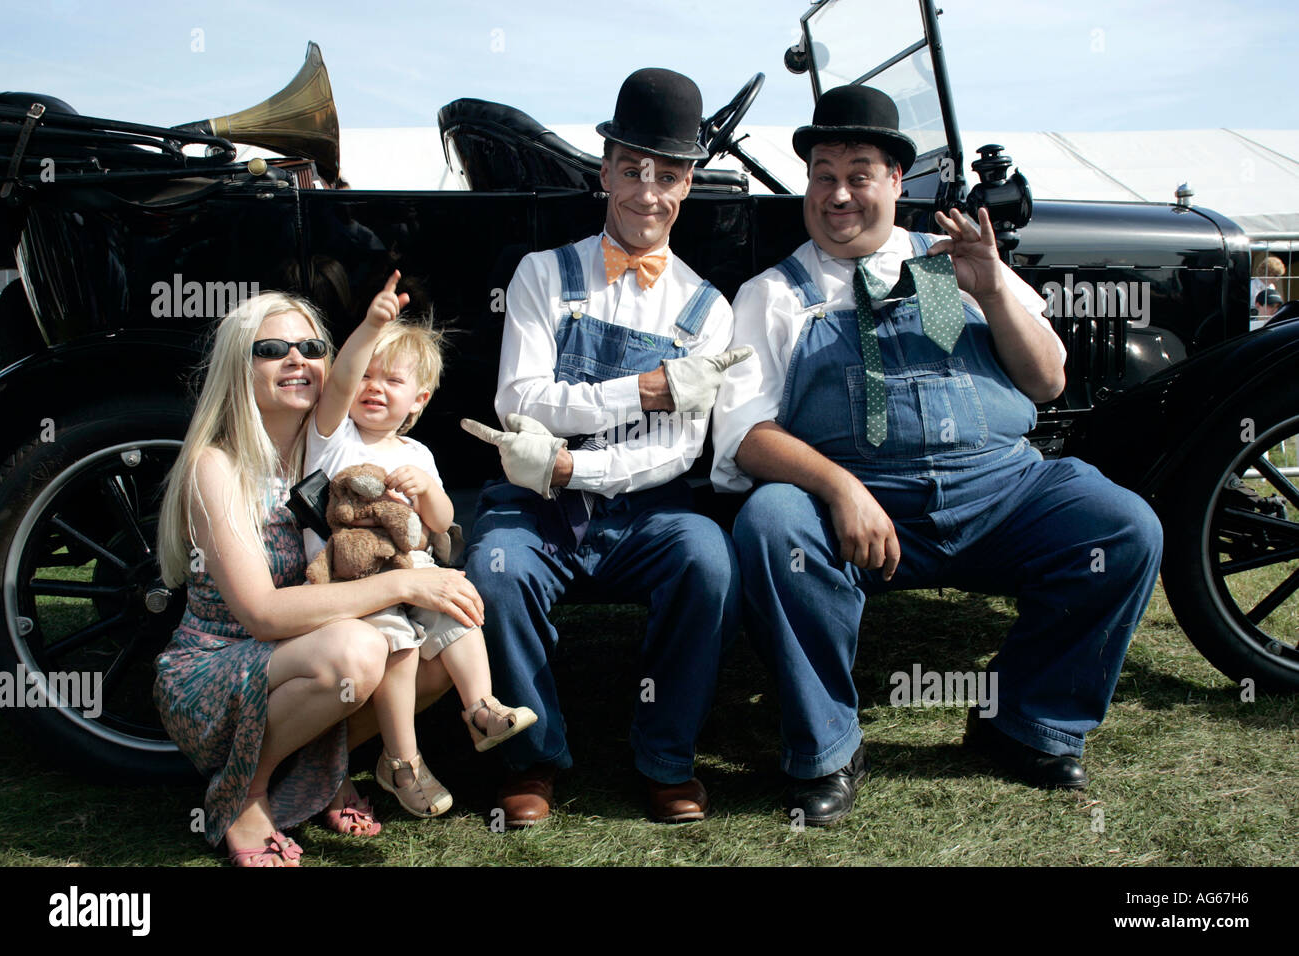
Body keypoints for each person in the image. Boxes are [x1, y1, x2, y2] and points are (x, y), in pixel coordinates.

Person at [711, 85, 1163, 826]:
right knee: (772, 524)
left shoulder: (945, 263)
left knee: (1123, 527)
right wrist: (840, 488)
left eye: (860, 173)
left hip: (998, 491)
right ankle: (828, 746)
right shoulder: (777, 294)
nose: (839, 194)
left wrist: (992, 288)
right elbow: (743, 436)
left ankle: (1025, 724)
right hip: (866, 507)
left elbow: (1046, 380)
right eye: (824, 174)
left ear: (896, 181)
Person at [460, 68, 750, 826]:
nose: (647, 193)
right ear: (605, 173)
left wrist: (572, 463)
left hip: (642, 508)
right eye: (631, 171)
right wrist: (642, 391)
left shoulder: (708, 309)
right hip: (532, 505)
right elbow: (519, 402)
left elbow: (680, 448)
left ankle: (666, 758)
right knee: (493, 571)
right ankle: (534, 758)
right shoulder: (540, 274)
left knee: (708, 560)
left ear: (688, 183)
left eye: (667, 175)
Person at [153, 291, 485, 865]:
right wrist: (403, 586)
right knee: (359, 648)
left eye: (310, 348)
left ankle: (322, 774)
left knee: (433, 650)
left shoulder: (333, 447)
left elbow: (426, 525)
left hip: (308, 649)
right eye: (272, 349)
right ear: (240, 365)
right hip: (219, 665)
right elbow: (261, 615)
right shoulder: (219, 465)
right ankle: (245, 794)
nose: (296, 360)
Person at [303, 271, 535, 819]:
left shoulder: (417, 453)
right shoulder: (334, 438)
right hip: (358, 585)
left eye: (393, 380)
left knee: (462, 618)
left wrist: (428, 488)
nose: (374, 387)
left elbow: (443, 520)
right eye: (367, 376)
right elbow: (338, 385)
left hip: (417, 572)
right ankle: (403, 761)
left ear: (419, 399)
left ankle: (481, 708)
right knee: (399, 651)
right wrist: (370, 327)